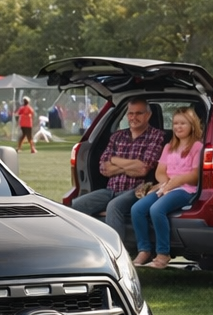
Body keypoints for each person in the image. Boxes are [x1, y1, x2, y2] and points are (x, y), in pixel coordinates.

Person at [71, 101, 167, 248]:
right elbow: (104, 168)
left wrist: (115, 161)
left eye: (139, 113)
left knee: (114, 206)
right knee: (76, 205)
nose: (133, 117)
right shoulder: (117, 136)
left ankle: (116, 252)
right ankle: (84, 248)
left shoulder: (157, 136)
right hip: (110, 190)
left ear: (148, 115)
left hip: (136, 191)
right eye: (130, 113)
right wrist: (132, 165)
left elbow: (144, 169)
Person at [129, 107, 204, 268]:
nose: (178, 127)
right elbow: (160, 172)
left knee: (156, 209)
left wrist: (174, 183)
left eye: (183, 123)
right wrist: (166, 185)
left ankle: (163, 254)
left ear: (192, 125)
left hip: (186, 189)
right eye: (175, 123)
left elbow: (194, 176)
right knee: (137, 209)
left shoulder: (197, 147)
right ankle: (144, 250)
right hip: (167, 187)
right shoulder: (169, 147)